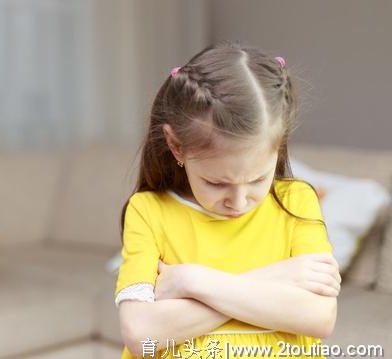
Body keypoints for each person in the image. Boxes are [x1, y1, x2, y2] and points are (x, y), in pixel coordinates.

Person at [115, 41, 340, 358]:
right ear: (176, 146)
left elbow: (318, 318)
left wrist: (192, 281)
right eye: (217, 183)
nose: (238, 201)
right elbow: (141, 335)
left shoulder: (297, 201)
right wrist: (276, 277)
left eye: (257, 179)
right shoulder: (150, 211)